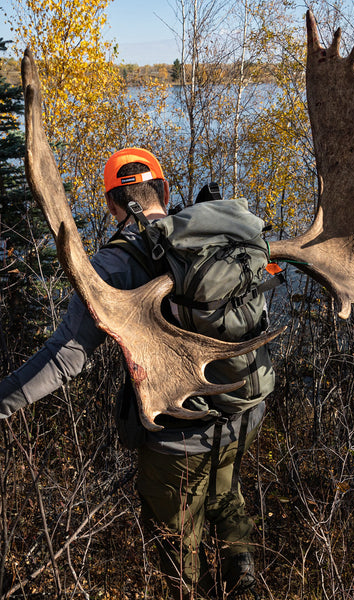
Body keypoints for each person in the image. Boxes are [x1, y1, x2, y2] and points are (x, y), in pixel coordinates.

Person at [0, 148, 275, 599]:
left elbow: (65, 358)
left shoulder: (114, 263)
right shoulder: (214, 235)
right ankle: (241, 570)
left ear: (112, 204)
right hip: (244, 408)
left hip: (178, 438)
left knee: (174, 537)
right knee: (227, 495)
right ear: (164, 191)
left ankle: (192, 591)